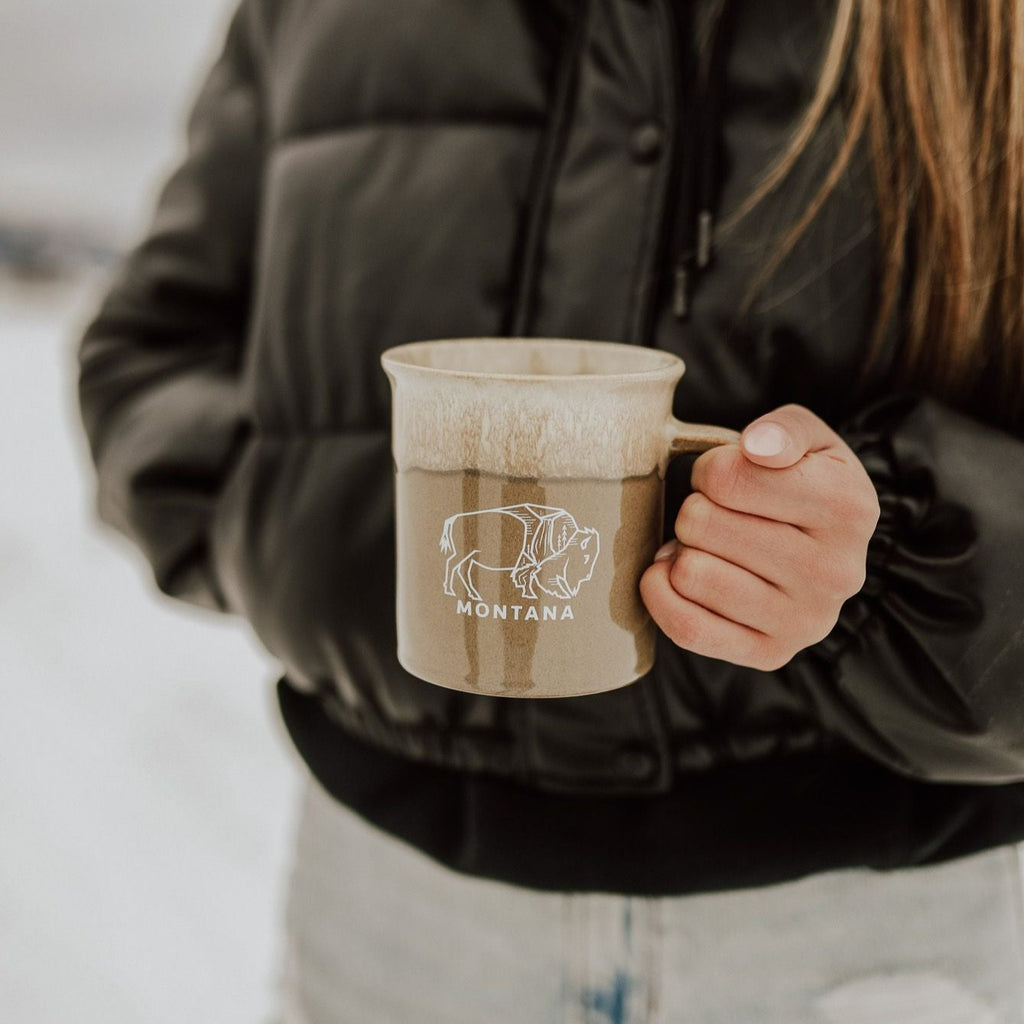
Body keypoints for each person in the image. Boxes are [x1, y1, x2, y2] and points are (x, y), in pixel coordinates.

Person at [77, 0, 1024, 1020]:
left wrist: (910, 570)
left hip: (871, 936)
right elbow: (151, 353)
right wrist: (292, 528)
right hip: (395, 923)